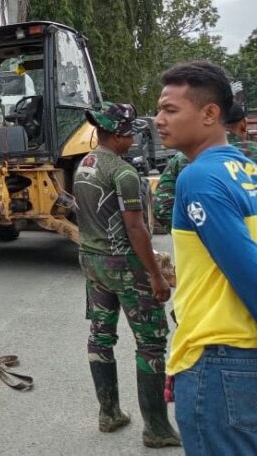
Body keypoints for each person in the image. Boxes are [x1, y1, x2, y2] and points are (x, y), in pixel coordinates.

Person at [155, 62, 257, 455]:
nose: (159, 120)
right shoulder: (247, 170)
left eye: (170, 110)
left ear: (210, 114)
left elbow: (248, 273)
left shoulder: (197, 178)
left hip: (218, 358)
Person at [74, 102, 181, 448]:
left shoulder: (84, 165)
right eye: (131, 131)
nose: (134, 136)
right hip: (125, 267)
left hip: (93, 263)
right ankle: (157, 429)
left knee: (100, 336)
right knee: (150, 343)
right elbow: (136, 229)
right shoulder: (123, 173)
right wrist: (156, 275)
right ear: (119, 134)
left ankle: (109, 413)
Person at [153, 102, 257, 233]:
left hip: (199, 246)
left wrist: (195, 232)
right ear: (243, 124)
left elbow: (161, 208)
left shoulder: (184, 158)